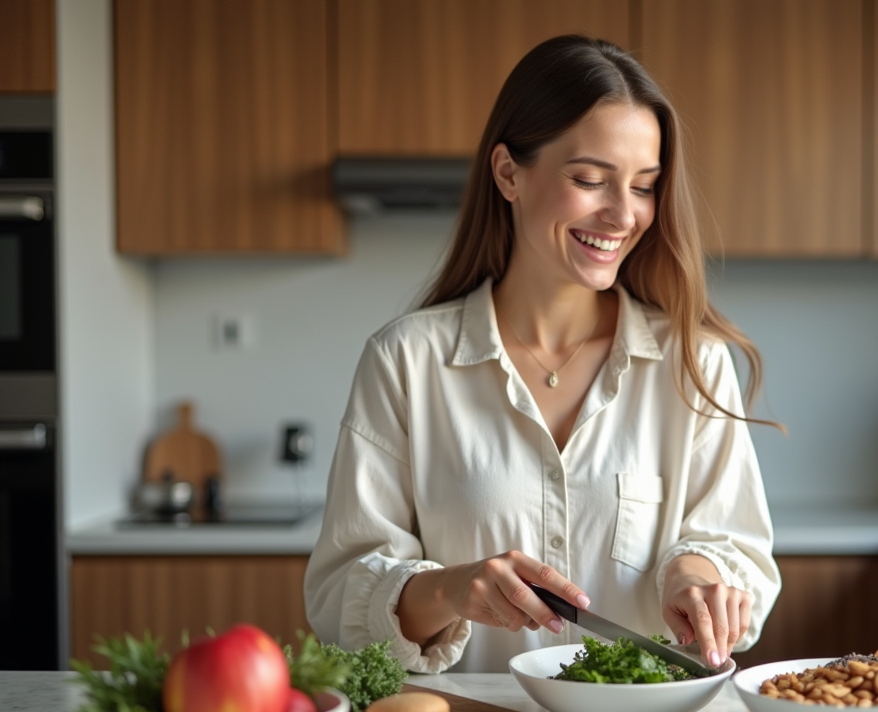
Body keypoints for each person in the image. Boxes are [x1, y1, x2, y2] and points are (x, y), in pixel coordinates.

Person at [305, 35, 781, 674]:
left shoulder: (692, 361)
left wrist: (695, 577)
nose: (622, 215)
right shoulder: (405, 362)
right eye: (589, 180)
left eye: (644, 187)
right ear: (508, 173)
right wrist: (450, 589)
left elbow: (739, 555)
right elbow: (339, 599)